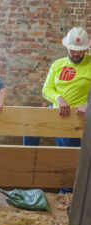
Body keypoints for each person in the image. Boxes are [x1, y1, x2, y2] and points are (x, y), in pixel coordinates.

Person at [23, 27, 91, 192]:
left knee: (69, 154)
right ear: (67, 47)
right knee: (29, 130)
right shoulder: (58, 65)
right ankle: (28, 179)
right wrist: (58, 99)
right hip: (57, 113)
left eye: (80, 51)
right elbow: (47, 89)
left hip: (78, 117)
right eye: (73, 50)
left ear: (86, 49)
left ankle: (66, 192)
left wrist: (89, 105)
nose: (76, 54)